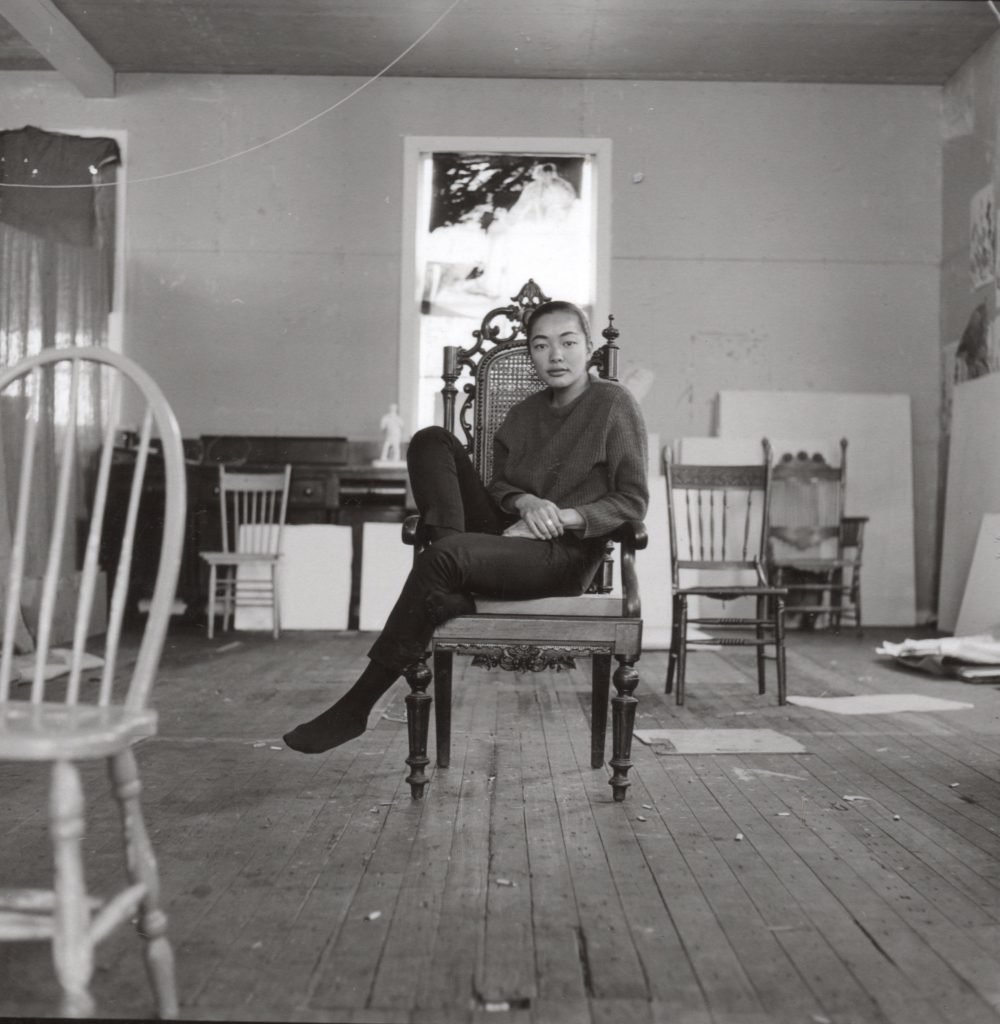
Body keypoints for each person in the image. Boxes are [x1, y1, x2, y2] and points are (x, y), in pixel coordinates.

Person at [283, 300, 648, 754]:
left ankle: (357, 705)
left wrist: (556, 517)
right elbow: (499, 487)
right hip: (508, 539)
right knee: (431, 440)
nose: (556, 355)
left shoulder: (614, 405)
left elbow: (632, 501)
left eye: (568, 342)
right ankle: (448, 569)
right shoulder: (524, 413)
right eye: (541, 345)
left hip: (565, 554)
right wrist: (525, 501)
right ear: (529, 354)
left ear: (589, 348)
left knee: (443, 560)